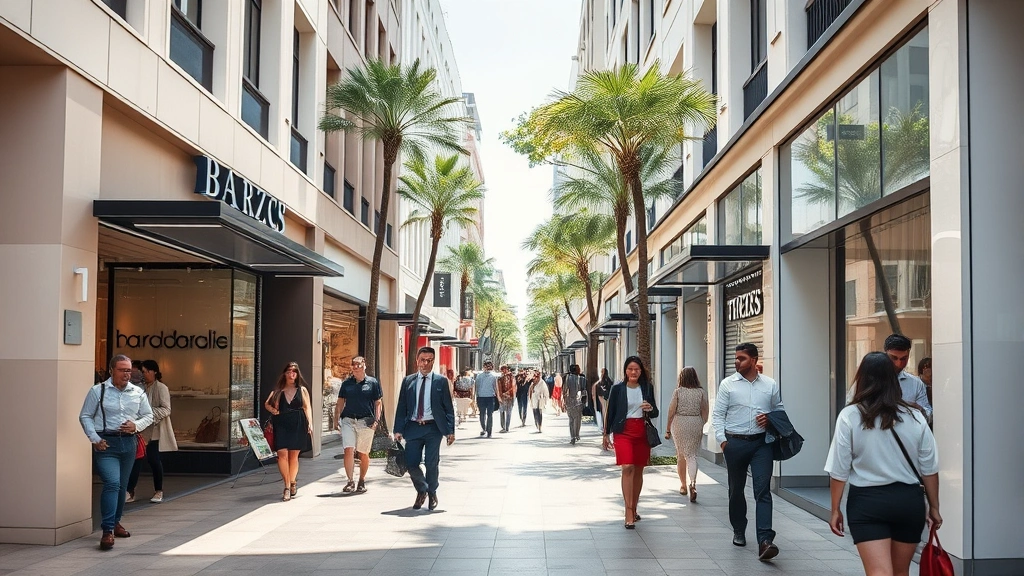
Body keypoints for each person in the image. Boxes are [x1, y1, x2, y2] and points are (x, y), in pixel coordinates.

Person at [825, 352, 941, 576]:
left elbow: (839, 469)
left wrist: (835, 509)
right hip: (909, 502)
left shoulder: (850, 415)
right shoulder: (915, 417)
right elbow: (929, 468)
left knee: (879, 572)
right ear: (893, 379)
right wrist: (934, 507)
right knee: (901, 572)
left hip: (867, 503)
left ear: (862, 378)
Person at [712, 343, 783, 561]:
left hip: (762, 444)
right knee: (736, 490)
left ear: (753, 360)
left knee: (762, 491)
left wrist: (770, 419)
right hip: (735, 443)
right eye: (736, 358)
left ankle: (765, 540)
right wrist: (724, 443)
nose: (737, 362)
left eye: (741, 358)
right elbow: (717, 416)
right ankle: (739, 529)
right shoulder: (728, 385)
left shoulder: (769, 385)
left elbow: (779, 411)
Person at [79, 354, 154, 550]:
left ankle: (116, 522)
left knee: (122, 486)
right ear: (112, 371)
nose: (127, 374)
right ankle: (107, 531)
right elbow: (85, 416)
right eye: (122, 370)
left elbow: (149, 416)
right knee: (112, 483)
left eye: (129, 370)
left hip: (128, 444)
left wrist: (136, 425)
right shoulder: (98, 391)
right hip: (106, 443)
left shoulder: (137, 392)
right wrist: (95, 439)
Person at [393, 346, 456, 510]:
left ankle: (432, 492)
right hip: (413, 428)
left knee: (431, 462)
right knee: (411, 463)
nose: (425, 364)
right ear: (417, 361)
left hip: (433, 428)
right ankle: (422, 490)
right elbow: (402, 406)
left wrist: (450, 431)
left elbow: (448, 408)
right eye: (423, 360)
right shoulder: (408, 381)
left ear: (433, 362)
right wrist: (398, 430)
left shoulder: (441, 381)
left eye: (429, 361)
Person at [602, 355, 659, 529]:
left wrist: (649, 408)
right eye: (630, 369)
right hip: (623, 431)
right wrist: (605, 433)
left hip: (641, 431)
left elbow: (655, 412)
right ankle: (628, 511)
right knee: (627, 467)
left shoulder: (647, 387)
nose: (633, 372)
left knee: (639, 470)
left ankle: (634, 507)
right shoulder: (618, 388)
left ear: (641, 371)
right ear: (625, 371)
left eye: (636, 369)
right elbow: (610, 411)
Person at [126, 360, 177, 504]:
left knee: (154, 460)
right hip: (140, 430)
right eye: (142, 372)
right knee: (136, 461)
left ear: (154, 371)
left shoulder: (161, 388)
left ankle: (158, 490)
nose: (144, 374)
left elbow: (166, 409)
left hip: (154, 430)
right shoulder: (140, 388)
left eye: (146, 371)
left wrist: (148, 414)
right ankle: (130, 491)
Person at [264, 362, 313, 502]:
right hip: (281, 423)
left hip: (298, 422)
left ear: (297, 374)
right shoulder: (279, 391)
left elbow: (307, 407)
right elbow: (266, 403)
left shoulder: (302, 390)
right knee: (281, 454)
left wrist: (310, 423)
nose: (291, 374)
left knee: (293, 456)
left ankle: (292, 482)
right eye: (289, 371)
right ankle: (286, 486)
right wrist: (274, 411)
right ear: (284, 374)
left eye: (294, 372)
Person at [334, 356, 382, 494]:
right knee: (348, 449)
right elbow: (340, 402)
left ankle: (361, 480)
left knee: (363, 453)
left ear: (364, 365)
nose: (355, 367)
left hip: (366, 421)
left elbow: (378, 403)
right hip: (348, 420)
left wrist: (376, 421)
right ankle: (350, 481)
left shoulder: (373, 383)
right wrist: (336, 420)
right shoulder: (346, 384)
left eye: (358, 364)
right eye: (353, 365)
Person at [665, 366, 709, 502]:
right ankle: (693, 483)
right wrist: (701, 423)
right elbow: (705, 411)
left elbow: (671, 411)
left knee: (681, 455)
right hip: (696, 422)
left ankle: (683, 485)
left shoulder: (678, 392)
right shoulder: (701, 392)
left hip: (680, 422)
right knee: (692, 455)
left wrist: (667, 429)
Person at [883, 334, 933, 422]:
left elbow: (928, 415)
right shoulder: (870, 380)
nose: (898, 364)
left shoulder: (916, 383)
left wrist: (919, 410)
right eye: (894, 358)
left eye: (903, 359)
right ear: (885, 354)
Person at [474, 361, 499, 437]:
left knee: (482, 414)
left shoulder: (479, 376)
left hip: (481, 397)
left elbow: (476, 387)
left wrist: (475, 397)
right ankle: (489, 431)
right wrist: (498, 397)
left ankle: (484, 429)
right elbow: (496, 388)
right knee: (489, 414)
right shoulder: (494, 376)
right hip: (490, 397)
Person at [563, 364, 587, 444]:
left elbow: (564, 391)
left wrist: (564, 402)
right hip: (578, 402)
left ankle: (572, 437)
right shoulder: (582, 379)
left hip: (569, 402)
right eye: (578, 368)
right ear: (576, 370)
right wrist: (584, 402)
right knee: (577, 420)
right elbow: (584, 392)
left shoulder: (566, 378)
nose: (580, 370)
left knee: (571, 420)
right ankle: (576, 435)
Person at [496, 365, 516, 433]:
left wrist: (505, 394)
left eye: (505, 369)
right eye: (502, 370)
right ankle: (505, 427)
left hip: (508, 397)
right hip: (505, 397)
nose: (504, 371)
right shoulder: (500, 378)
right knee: (504, 412)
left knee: (506, 412)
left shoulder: (511, 377)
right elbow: (498, 388)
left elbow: (514, 387)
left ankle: (506, 427)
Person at [593, 368, 613, 432]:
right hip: (607, 398)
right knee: (606, 411)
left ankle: (605, 426)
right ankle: (606, 426)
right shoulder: (610, 381)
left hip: (602, 398)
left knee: (604, 411)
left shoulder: (599, 383)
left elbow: (597, 395)